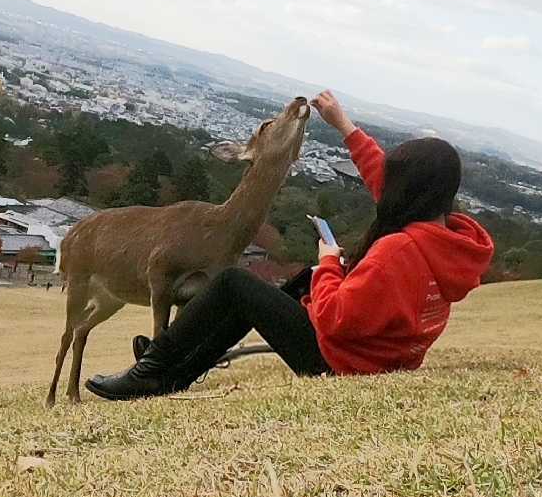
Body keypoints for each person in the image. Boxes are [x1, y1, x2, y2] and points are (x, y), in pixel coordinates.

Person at [86, 90, 493, 401]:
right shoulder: (449, 239)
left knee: (234, 285)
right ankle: (178, 365)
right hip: (383, 355)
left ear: (408, 190)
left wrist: (330, 262)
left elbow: (335, 317)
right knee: (297, 284)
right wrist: (343, 124)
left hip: (340, 361)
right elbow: (382, 183)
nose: (382, 186)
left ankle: (152, 372)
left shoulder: (398, 252)